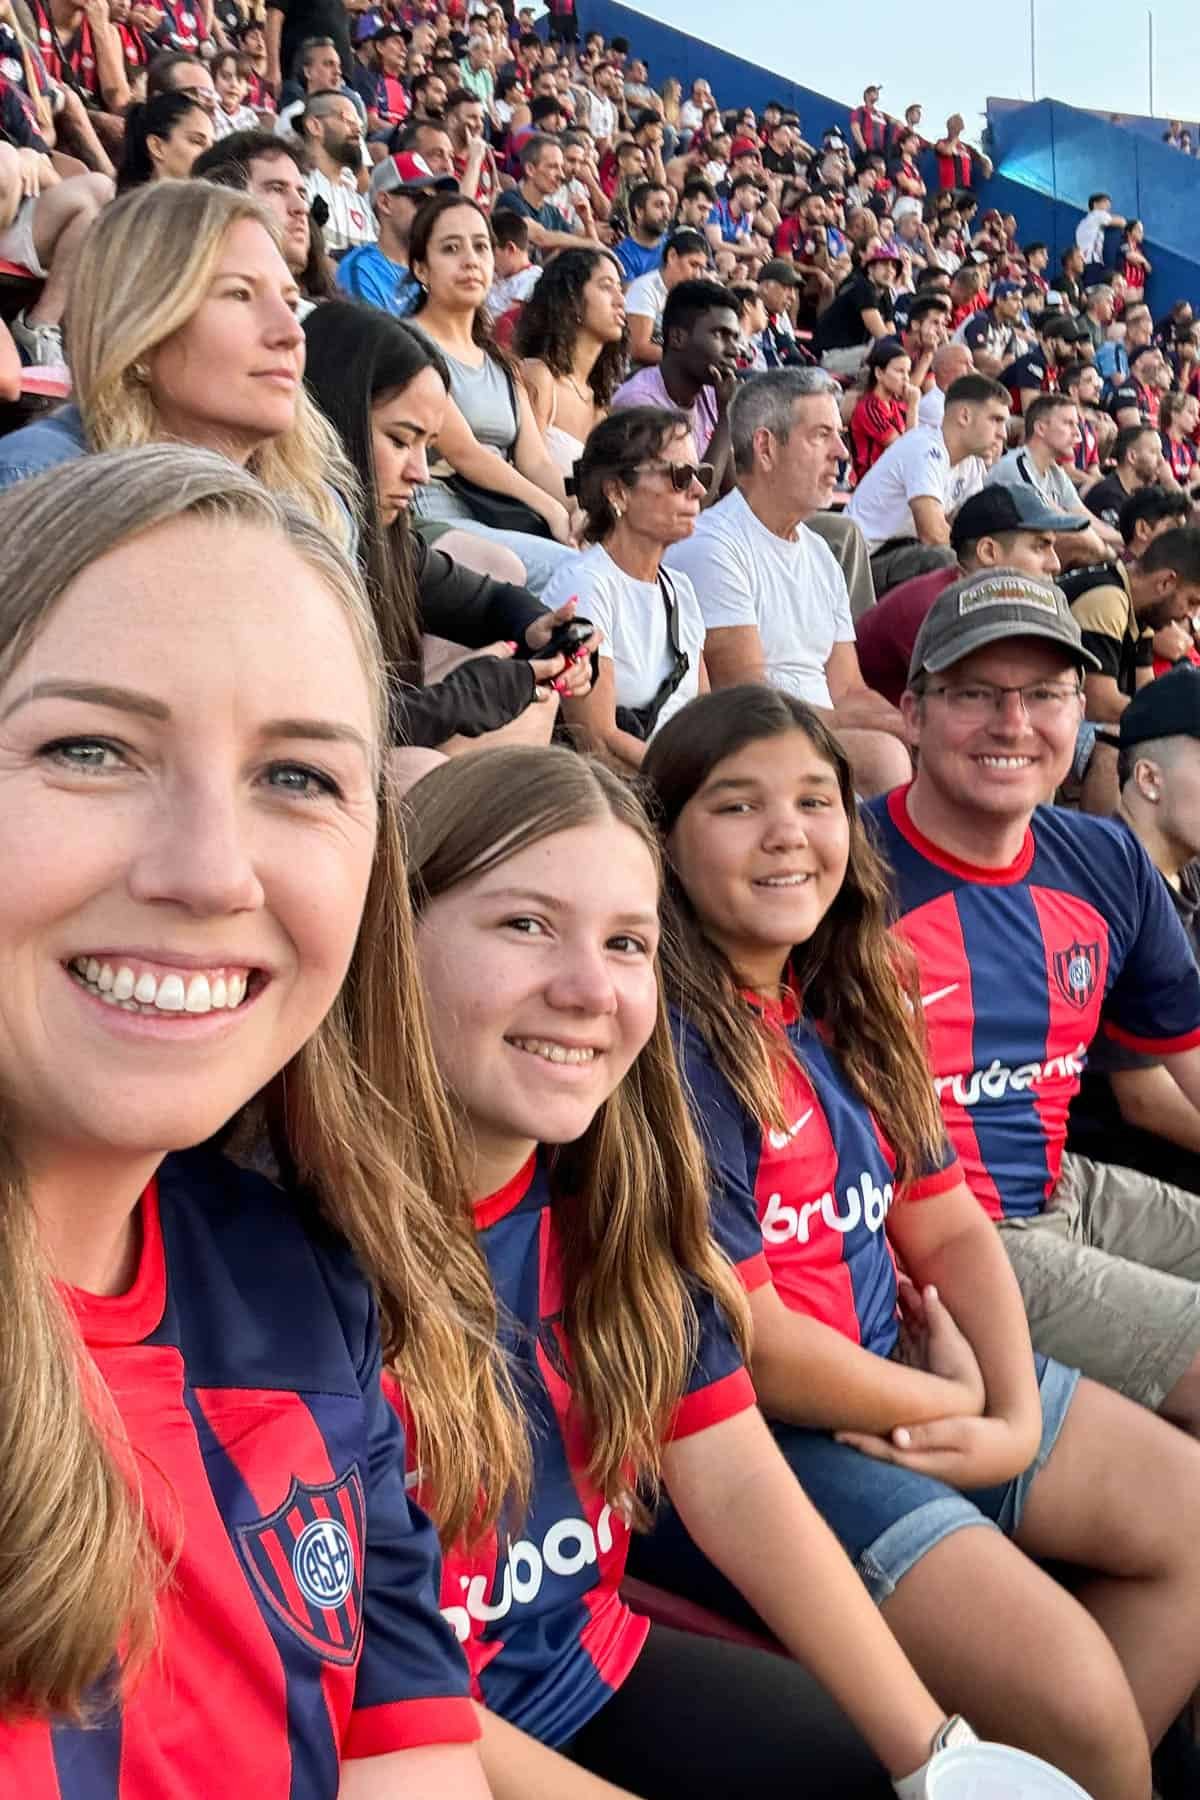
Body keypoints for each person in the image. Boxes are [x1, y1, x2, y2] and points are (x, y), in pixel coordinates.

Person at [0, 442, 502, 1794]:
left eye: (296, 777)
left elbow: (414, 1755)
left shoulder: (305, 1279)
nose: (212, 874)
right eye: (89, 748)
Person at [635, 683, 1200, 1800]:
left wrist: (1013, 1409)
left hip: (903, 1371)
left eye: (814, 799)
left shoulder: (847, 999)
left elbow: (944, 1222)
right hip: (763, 1439)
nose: (789, 832)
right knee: (1078, 1698)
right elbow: (752, 1343)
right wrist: (958, 1409)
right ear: (663, 841)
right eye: (737, 807)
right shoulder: (669, 1047)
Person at [396, 744, 980, 1800]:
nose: (586, 989)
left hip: (580, 1665)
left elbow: (732, 1471)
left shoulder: (618, 1194)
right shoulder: (290, 1242)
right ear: (390, 939)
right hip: (401, 1735)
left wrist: (940, 1756)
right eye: (525, 925)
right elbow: (364, 1685)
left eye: (627, 943)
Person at [865, 572, 1200, 1460]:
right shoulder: (841, 872)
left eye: (1046, 695)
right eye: (975, 693)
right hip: (945, 1241)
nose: (1014, 725)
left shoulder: (1107, 862)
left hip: (1065, 1187)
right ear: (913, 713)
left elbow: (1188, 1065)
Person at [303, 301, 594, 754]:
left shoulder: (385, 539)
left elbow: (487, 599)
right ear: (332, 421)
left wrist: (543, 628)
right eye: (400, 440)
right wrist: (461, 699)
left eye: (428, 446)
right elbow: (318, 731)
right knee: (426, 762)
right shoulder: (285, 545)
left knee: (532, 700)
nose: (420, 472)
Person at [0, 181, 350, 548]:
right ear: (140, 330)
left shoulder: (320, 508)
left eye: (291, 304)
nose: (292, 333)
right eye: (239, 294)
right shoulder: (44, 483)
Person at [665, 368, 911, 799]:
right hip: (758, 743)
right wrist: (892, 734)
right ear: (765, 447)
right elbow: (749, 702)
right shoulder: (714, 547)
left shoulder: (819, 553)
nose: (842, 452)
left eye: (839, 435)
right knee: (885, 756)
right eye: (821, 435)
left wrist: (914, 725)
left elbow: (849, 690)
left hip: (820, 734)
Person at [1068, 667, 1200, 1192]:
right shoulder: (1107, 887)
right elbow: (1147, 1100)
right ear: (1148, 779)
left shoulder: (1185, 870)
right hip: (1136, 1175)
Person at [405, 191, 576, 593]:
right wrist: (551, 509)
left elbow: (535, 461)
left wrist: (577, 509)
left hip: (502, 520)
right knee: (569, 573)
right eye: (450, 248)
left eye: (481, 247)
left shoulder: (499, 362)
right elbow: (463, 452)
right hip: (437, 518)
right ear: (421, 269)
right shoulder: (407, 343)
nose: (470, 260)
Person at [547, 406, 708, 768]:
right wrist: (689, 785)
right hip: (627, 795)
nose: (698, 490)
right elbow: (597, 741)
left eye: (700, 475)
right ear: (618, 492)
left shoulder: (680, 590)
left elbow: (704, 719)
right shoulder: (585, 586)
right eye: (680, 476)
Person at [856, 484, 1083, 707]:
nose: (1055, 564)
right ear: (988, 552)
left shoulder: (972, 596)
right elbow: (970, 709)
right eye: (1040, 547)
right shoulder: (933, 609)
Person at [846, 372, 1010, 593]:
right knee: (943, 560)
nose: (1003, 434)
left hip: (904, 555)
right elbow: (933, 534)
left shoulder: (971, 463)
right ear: (964, 416)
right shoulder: (924, 448)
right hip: (863, 563)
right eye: (996, 420)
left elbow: (971, 529)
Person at [610, 277, 739, 497]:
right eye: (719, 335)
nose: (733, 351)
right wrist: (725, 417)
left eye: (734, 338)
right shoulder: (638, 403)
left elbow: (731, 493)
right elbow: (689, 503)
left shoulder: (712, 393)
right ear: (678, 338)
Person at [1060, 526, 1200, 723]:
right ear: (1166, 582)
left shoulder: (1142, 611)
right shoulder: (1107, 598)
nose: (1190, 615)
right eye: (1192, 602)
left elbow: (1147, 693)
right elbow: (1099, 706)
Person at [0, 118, 111, 367]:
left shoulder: (6, 96)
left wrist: (28, 158)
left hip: (15, 221)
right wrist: (14, 160)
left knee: (101, 190)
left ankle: (41, 325)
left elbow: (52, 175)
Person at [192, 127, 337, 313]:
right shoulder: (182, 315)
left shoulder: (325, 322)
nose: (301, 208)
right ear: (225, 199)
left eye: (302, 193)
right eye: (276, 189)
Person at [515, 246, 628, 479]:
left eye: (620, 288)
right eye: (607, 286)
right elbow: (524, 471)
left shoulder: (599, 404)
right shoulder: (539, 376)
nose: (621, 300)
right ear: (572, 298)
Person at [984, 394, 1117, 564]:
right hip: (999, 559)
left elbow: (1082, 515)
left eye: (1077, 425)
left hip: (1031, 555)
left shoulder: (1055, 472)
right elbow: (1068, 524)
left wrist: (1120, 540)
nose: (1078, 433)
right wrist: (1110, 553)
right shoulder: (1016, 466)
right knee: (1080, 541)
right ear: (1041, 428)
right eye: (1068, 424)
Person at [337, 152, 456, 317]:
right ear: (385, 203)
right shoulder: (361, 268)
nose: (430, 210)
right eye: (421, 199)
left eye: (434, 201)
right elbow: (374, 340)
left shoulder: (437, 266)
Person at [300, 89, 375, 256]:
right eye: (347, 118)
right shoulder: (298, 189)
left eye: (359, 122)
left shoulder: (359, 203)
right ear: (315, 126)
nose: (357, 129)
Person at [623, 227, 711, 368]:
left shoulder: (689, 295)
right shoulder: (645, 288)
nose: (697, 275)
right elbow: (638, 349)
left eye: (702, 268)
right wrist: (689, 359)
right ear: (672, 256)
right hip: (639, 373)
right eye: (693, 265)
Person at [813, 244, 902, 376]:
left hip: (853, 353)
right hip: (830, 355)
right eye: (884, 264)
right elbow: (881, 336)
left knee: (894, 359)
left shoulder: (884, 294)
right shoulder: (863, 287)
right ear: (871, 269)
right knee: (886, 360)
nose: (890, 270)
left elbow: (891, 334)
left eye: (893, 266)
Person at [849, 337, 920, 483]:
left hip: (892, 482)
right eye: (900, 371)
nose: (906, 378)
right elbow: (905, 451)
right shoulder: (869, 409)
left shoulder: (897, 406)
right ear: (879, 373)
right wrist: (913, 407)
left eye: (908, 372)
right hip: (871, 485)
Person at [116, 89, 215, 188]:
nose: (211, 152)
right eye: (197, 141)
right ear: (156, 146)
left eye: (213, 145)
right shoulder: (133, 202)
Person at [1086, 425, 1166, 530]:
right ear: (1132, 457)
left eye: (1161, 452)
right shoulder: (1107, 496)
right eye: (1154, 452)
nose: (1162, 460)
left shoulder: (1147, 495)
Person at [612, 177, 673, 282]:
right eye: (659, 205)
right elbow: (631, 296)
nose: (667, 213)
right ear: (639, 211)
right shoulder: (623, 254)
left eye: (668, 206)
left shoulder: (673, 246)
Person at [210, 45, 259, 136]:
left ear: (247, 89)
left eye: (240, 80)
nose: (234, 84)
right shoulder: (208, 113)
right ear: (212, 80)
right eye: (225, 77)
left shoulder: (250, 116)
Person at [1077, 191, 1125, 274]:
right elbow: (1122, 222)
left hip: (1083, 261)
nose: (1108, 208)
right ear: (1095, 204)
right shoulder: (1097, 214)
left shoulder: (1083, 222)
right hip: (1093, 261)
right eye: (1105, 203)